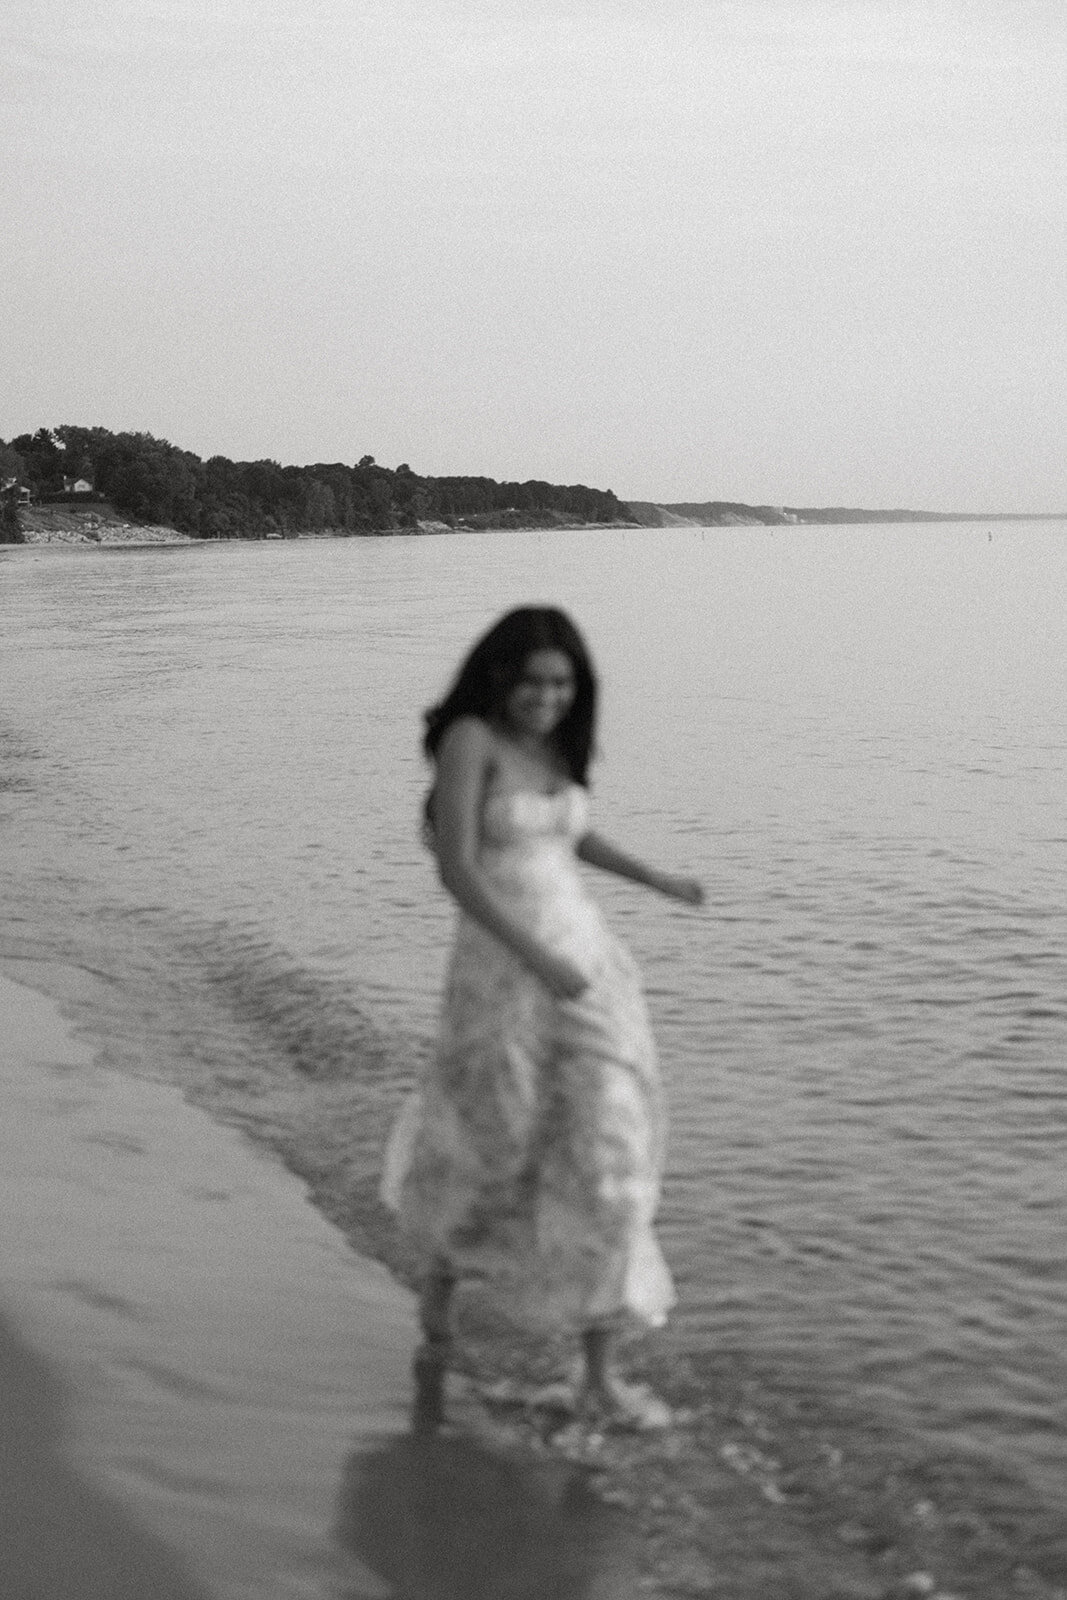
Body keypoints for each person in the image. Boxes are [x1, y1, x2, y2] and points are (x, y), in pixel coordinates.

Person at [381, 606, 703, 1432]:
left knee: (608, 1146)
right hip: (502, 974)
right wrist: (536, 960)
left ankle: (595, 1373)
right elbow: (458, 868)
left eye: (562, 684)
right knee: (495, 1142)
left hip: (587, 966)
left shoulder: (554, 748)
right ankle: (444, 1290)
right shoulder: (471, 744)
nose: (548, 698)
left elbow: (571, 838)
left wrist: (656, 877)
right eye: (534, 682)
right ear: (499, 677)